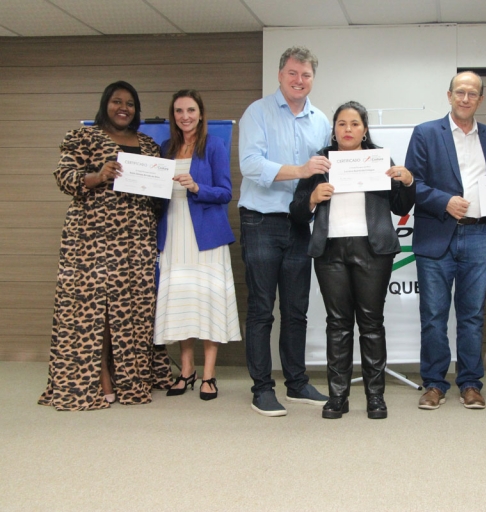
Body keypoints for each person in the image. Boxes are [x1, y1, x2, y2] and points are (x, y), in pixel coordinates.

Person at [39, 81, 173, 411]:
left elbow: (158, 195)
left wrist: (162, 186)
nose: (123, 108)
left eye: (130, 103)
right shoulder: (83, 137)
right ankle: (99, 377)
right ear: (105, 104)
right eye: (116, 101)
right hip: (91, 238)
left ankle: (130, 378)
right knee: (92, 310)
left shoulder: (148, 144)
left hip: (137, 240)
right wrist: (98, 176)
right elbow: (64, 177)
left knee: (132, 310)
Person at [290, 101, 415, 419]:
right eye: (342, 124)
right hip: (330, 250)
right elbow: (297, 210)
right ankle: (338, 397)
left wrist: (407, 181)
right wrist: (312, 199)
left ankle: (376, 397)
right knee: (338, 324)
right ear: (334, 129)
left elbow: (401, 207)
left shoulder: (380, 159)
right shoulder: (321, 162)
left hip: (373, 249)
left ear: (365, 129)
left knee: (371, 323)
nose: (348, 129)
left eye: (355, 124)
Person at [238, 46, 331, 417]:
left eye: (306, 75)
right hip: (261, 220)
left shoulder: (321, 121)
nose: (299, 80)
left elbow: (325, 171)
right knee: (262, 309)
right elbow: (250, 164)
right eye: (292, 73)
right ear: (280, 75)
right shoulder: (257, 112)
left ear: (313, 79)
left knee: (296, 310)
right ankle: (262, 389)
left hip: (300, 222)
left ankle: (297, 383)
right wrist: (301, 170)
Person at [405, 71, 486, 410]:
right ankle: (434, 383)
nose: (465, 98)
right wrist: (444, 201)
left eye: (472, 93)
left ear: (480, 99)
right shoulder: (426, 133)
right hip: (437, 233)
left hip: (478, 233)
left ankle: (471, 383)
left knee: (472, 315)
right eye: (460, 92)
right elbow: (412, 184)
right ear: (449, 95)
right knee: (433, 315)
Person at [154, 90, 241, 401]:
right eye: (179, 111)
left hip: (206, 237)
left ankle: (209, 375)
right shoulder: (166, 148)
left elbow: (225, 192)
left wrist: (196, 187)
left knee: (208, 303)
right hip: (174, 233)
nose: (185, 116)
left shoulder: (213, 145)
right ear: (173, 115)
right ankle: (187, 370)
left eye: (191, 110)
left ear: (201, 113)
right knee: (182, 304)